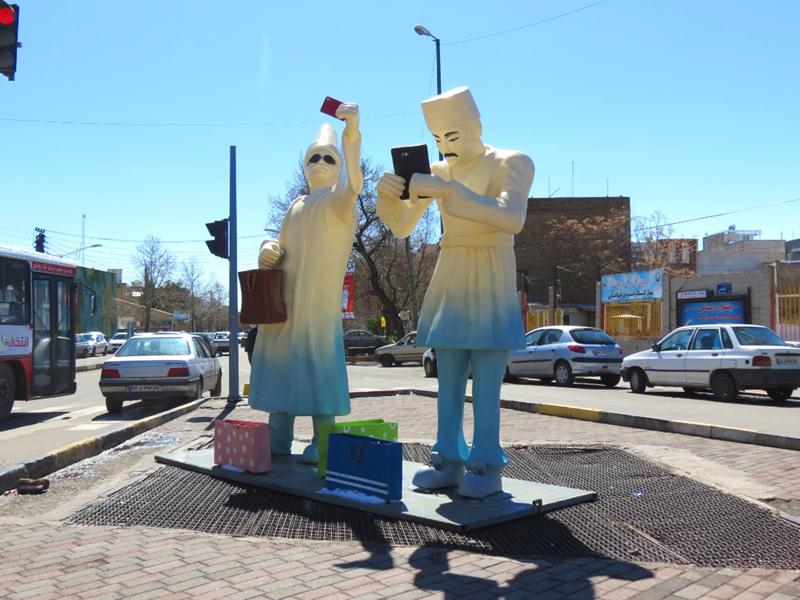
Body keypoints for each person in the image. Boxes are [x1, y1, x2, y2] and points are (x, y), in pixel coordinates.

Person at [376, 87, 534, 498]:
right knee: (447, 372)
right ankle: (447, 458)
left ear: (475, 126)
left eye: (453, 136)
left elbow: (511, 217)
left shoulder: (513, 161)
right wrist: (388, 197)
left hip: (491, 264)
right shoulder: (439, 171)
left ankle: (486, 463)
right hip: (452, 266)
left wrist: (450, 192)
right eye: (438, 139)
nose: (446, 147)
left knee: (487, 376)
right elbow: (403, 225)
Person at [249, 102, 362, 464]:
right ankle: (278, 438)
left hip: (317, 307)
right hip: (283, 305)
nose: (320, 163)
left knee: (318, 368)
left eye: (329, 158)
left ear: (339, 166)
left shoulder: (339, 203)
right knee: (281, 370)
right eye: (314, 157)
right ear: (304, 165)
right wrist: (266, 249)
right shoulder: (296, 205)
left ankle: (324, 439)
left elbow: (353, 185)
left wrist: (351, 133)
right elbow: (279, 246)